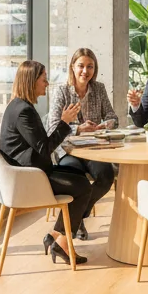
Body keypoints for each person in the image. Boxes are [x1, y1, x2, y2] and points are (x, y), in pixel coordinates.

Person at [1, 59, 91, 265]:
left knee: (79, 176)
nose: (47, 83)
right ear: (32, 81)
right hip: (30, 178)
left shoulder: (18, 106)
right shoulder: (23, 111)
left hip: (30, 172)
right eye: (43, 79)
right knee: (83, 186)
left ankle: (56, 236)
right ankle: (62, 242)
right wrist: (65, 122)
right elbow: (45, 147)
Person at [47, 47, 118, 240]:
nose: (85, 71)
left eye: (90, 67)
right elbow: (52, 127)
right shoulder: (61, 91)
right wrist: (78, 128)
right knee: (77, 179)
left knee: (106, 175)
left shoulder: (99, 89)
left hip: (92, 150)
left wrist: (107, 124)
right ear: (72, 67)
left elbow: (113, 117)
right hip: (68, 151)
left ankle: (77, 218)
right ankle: (73, 223)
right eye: (80, 66)